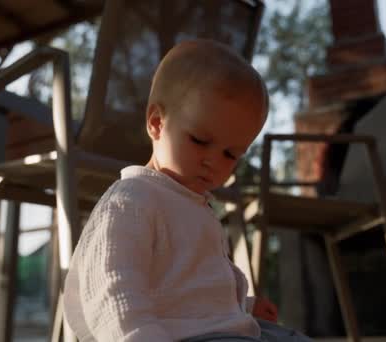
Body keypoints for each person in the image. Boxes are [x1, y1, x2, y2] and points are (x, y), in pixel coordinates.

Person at [63, 39, 312, 342]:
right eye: (199, 140)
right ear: (156, 123)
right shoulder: (132, 200)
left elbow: (190, 292)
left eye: (230, 155)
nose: (212, 162)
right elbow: (111, 289)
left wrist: (241, 306)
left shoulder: (196, 206)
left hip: (217, 329)